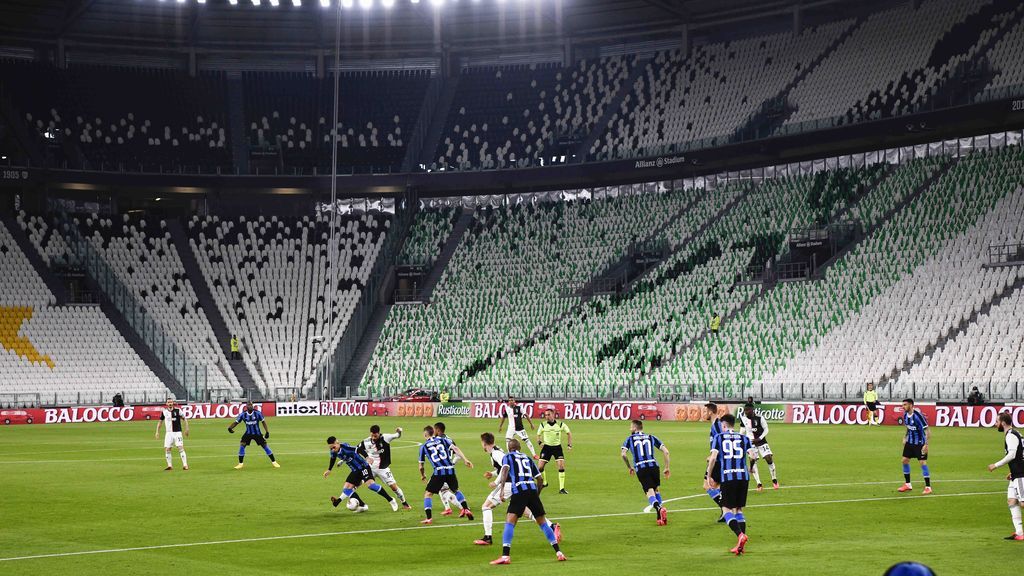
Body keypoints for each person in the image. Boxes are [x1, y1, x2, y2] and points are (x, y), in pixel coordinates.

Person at [488, 438, 566, 565]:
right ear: (519, 448)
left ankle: (505, 556)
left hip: (519, 490)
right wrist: (536, 495)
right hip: (531, 490)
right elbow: (540, 479)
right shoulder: (527, 458)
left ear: (509, 448)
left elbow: (505, 471)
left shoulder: (507, 457)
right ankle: (559, 553)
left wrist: (501, 490)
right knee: (543, 524)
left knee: (510, 522)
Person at [475, 432, 561, 547]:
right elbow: (505, 467)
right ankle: (552, 526)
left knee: (486, 506)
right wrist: (492, 473)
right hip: (516, 484)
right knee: (525, 511)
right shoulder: (496, 451)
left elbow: (505, 468)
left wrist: (496, 482)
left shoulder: (496, 453)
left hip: (510, 483)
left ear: (484, 443)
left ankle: (488, 537)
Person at [706, 413, 755, 555]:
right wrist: (751, 468)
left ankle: (740, 535)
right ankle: (741, 545)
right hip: (743, 477)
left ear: (724, 425)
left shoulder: (719, 437)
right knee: (738, 509)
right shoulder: (744, 438)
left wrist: (709, 475)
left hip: (728, 477)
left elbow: (713, 458)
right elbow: (752, 455)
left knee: (726, 509)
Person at [325, 436, 399, 513]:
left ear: (337, 442)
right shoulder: (333, 451)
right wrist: (329, 469)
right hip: (355, 470)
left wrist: (367, 457)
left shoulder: (346, 447)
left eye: (333, 447)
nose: (333, 449)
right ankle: (363, 506)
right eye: (331, 448)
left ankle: (391, 500)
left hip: (364, 467)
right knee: (346, 489)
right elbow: (333, 458)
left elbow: (359, 449)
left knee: (371, 486)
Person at [418, 425, 475, 524]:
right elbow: (456, 449)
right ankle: (466, 509)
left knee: (428, 494)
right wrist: (465, 460)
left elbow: (421, 466)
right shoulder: (443, 440)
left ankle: (429, 518)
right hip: (450, 470)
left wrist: (423, 475)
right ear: (433, 432)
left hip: (439, 471)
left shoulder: (424, 446)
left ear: (425, 434)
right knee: (456, 490)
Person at [621, 419, 670, 525]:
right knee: (656, 489)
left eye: (631, 427)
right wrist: (667, 467)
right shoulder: (651, 437)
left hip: (641, 467)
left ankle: (659, 508)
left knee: (649, 492)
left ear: (634, 428)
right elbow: (666, 451)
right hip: (654, 466)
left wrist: (629, 467)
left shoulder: (630, 439)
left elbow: (623, 454)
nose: (630, 429)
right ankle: (660, 518)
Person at [986, 412, 1024, 540]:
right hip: (1016, 473)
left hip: (1020, 474)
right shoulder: (1015, 433)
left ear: (1002, 423)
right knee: (1012, 501)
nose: (995, 424)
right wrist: (1012, 471)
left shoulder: (1011, 435)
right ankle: (1019, 533)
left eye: (997, 422)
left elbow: (1012, 455)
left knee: (1023, 502)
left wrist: (995, 465)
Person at [357, 425, 411, 510]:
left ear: (379, 433)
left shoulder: (386, 437)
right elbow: (358, 449)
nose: (373, 437)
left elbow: (397, 435)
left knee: (394, 487)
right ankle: (359, 504)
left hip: (383, 468)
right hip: (370, 468)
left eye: (375, 436)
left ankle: (404, 503)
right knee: (357, 483)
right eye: (372, 435)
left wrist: (399, 431)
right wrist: (366, 457)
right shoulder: (366, 441)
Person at [227, 402, 279, 469]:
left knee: (264, 446)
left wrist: (267, 432)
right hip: (248, 433)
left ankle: (274, 462)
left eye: (251, 405)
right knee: (242, 444)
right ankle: (240, 464)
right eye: (249, 405)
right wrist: (230, 428)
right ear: (246, 406)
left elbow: (263, 422)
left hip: (257, 433)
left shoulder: (257, 413)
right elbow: (236, 422)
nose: (251, 406)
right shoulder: (243, 414)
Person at [740, 402, 778, 491]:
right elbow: (742, 431)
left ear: (752, 410)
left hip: (761, 442)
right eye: (745, 411)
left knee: (769, 458)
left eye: (747, 410)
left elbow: (766, 429)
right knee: (753, 461)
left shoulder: (760, 418)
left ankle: (774, 479)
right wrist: (741, 439)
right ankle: (759, 483)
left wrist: (760, 438)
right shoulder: (743, 419)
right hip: (750, 443)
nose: (746, 412)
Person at [897, 399, 931, 494]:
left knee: (922, 463)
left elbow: (927, 431)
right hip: (910, 442)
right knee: (904, 460)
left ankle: (928, 487)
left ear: (911, 405)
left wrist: (926, 444)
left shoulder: (918, 416)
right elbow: (908, 427)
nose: (903, 406)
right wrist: (905, 437)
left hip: (920, 443)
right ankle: (908, 484)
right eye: (902, 405)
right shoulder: (905, 415)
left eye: (905, 405)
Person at [536, 409, 572, 493]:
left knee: (561, 466)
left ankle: (561, 489)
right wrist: (539, 442)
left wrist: (569, 445)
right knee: (540, 467)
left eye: (548, 415)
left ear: (553, 415)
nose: (547, 417)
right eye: (545, 415)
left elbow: (569, 433)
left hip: (557, 448)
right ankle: (545, 482)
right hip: (546, 448)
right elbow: (538, 435)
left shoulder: (560, 424)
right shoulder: (543, 424)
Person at [433, 421, 461, 515]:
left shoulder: (436, 441)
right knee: (442, 489)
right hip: (449, 469)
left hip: (442, 469)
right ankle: (448, 508)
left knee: (443, 490)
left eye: (434, 429)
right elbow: (458, 455)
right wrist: (452, 463)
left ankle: (463, 507)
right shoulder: (450, 440)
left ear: (437, 430)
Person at [155, 398, 189, 471]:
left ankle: (185, 465)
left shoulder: (178, 410)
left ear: (173, 403)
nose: (170, 403)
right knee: (167, 449)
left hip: (177, 433)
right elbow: (160, 422)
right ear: (166, 404)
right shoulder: (164, 412)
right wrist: (157, 431)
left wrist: (187, 429)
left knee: (180, 447)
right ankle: (170, 466)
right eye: (168, 402)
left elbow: (184, 419)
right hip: (168, 433)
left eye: (171, 402)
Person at [704, 403, 725, 516]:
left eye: (706, 411)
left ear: (710, 412)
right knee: (717, 486)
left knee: (707, 485)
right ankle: (724, 510)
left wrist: (713, 455)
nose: (705, 413)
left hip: (717, 460)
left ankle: (725, 507)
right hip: (719, 459)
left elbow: (722, 440)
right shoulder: (716, 424)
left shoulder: (717, 425)